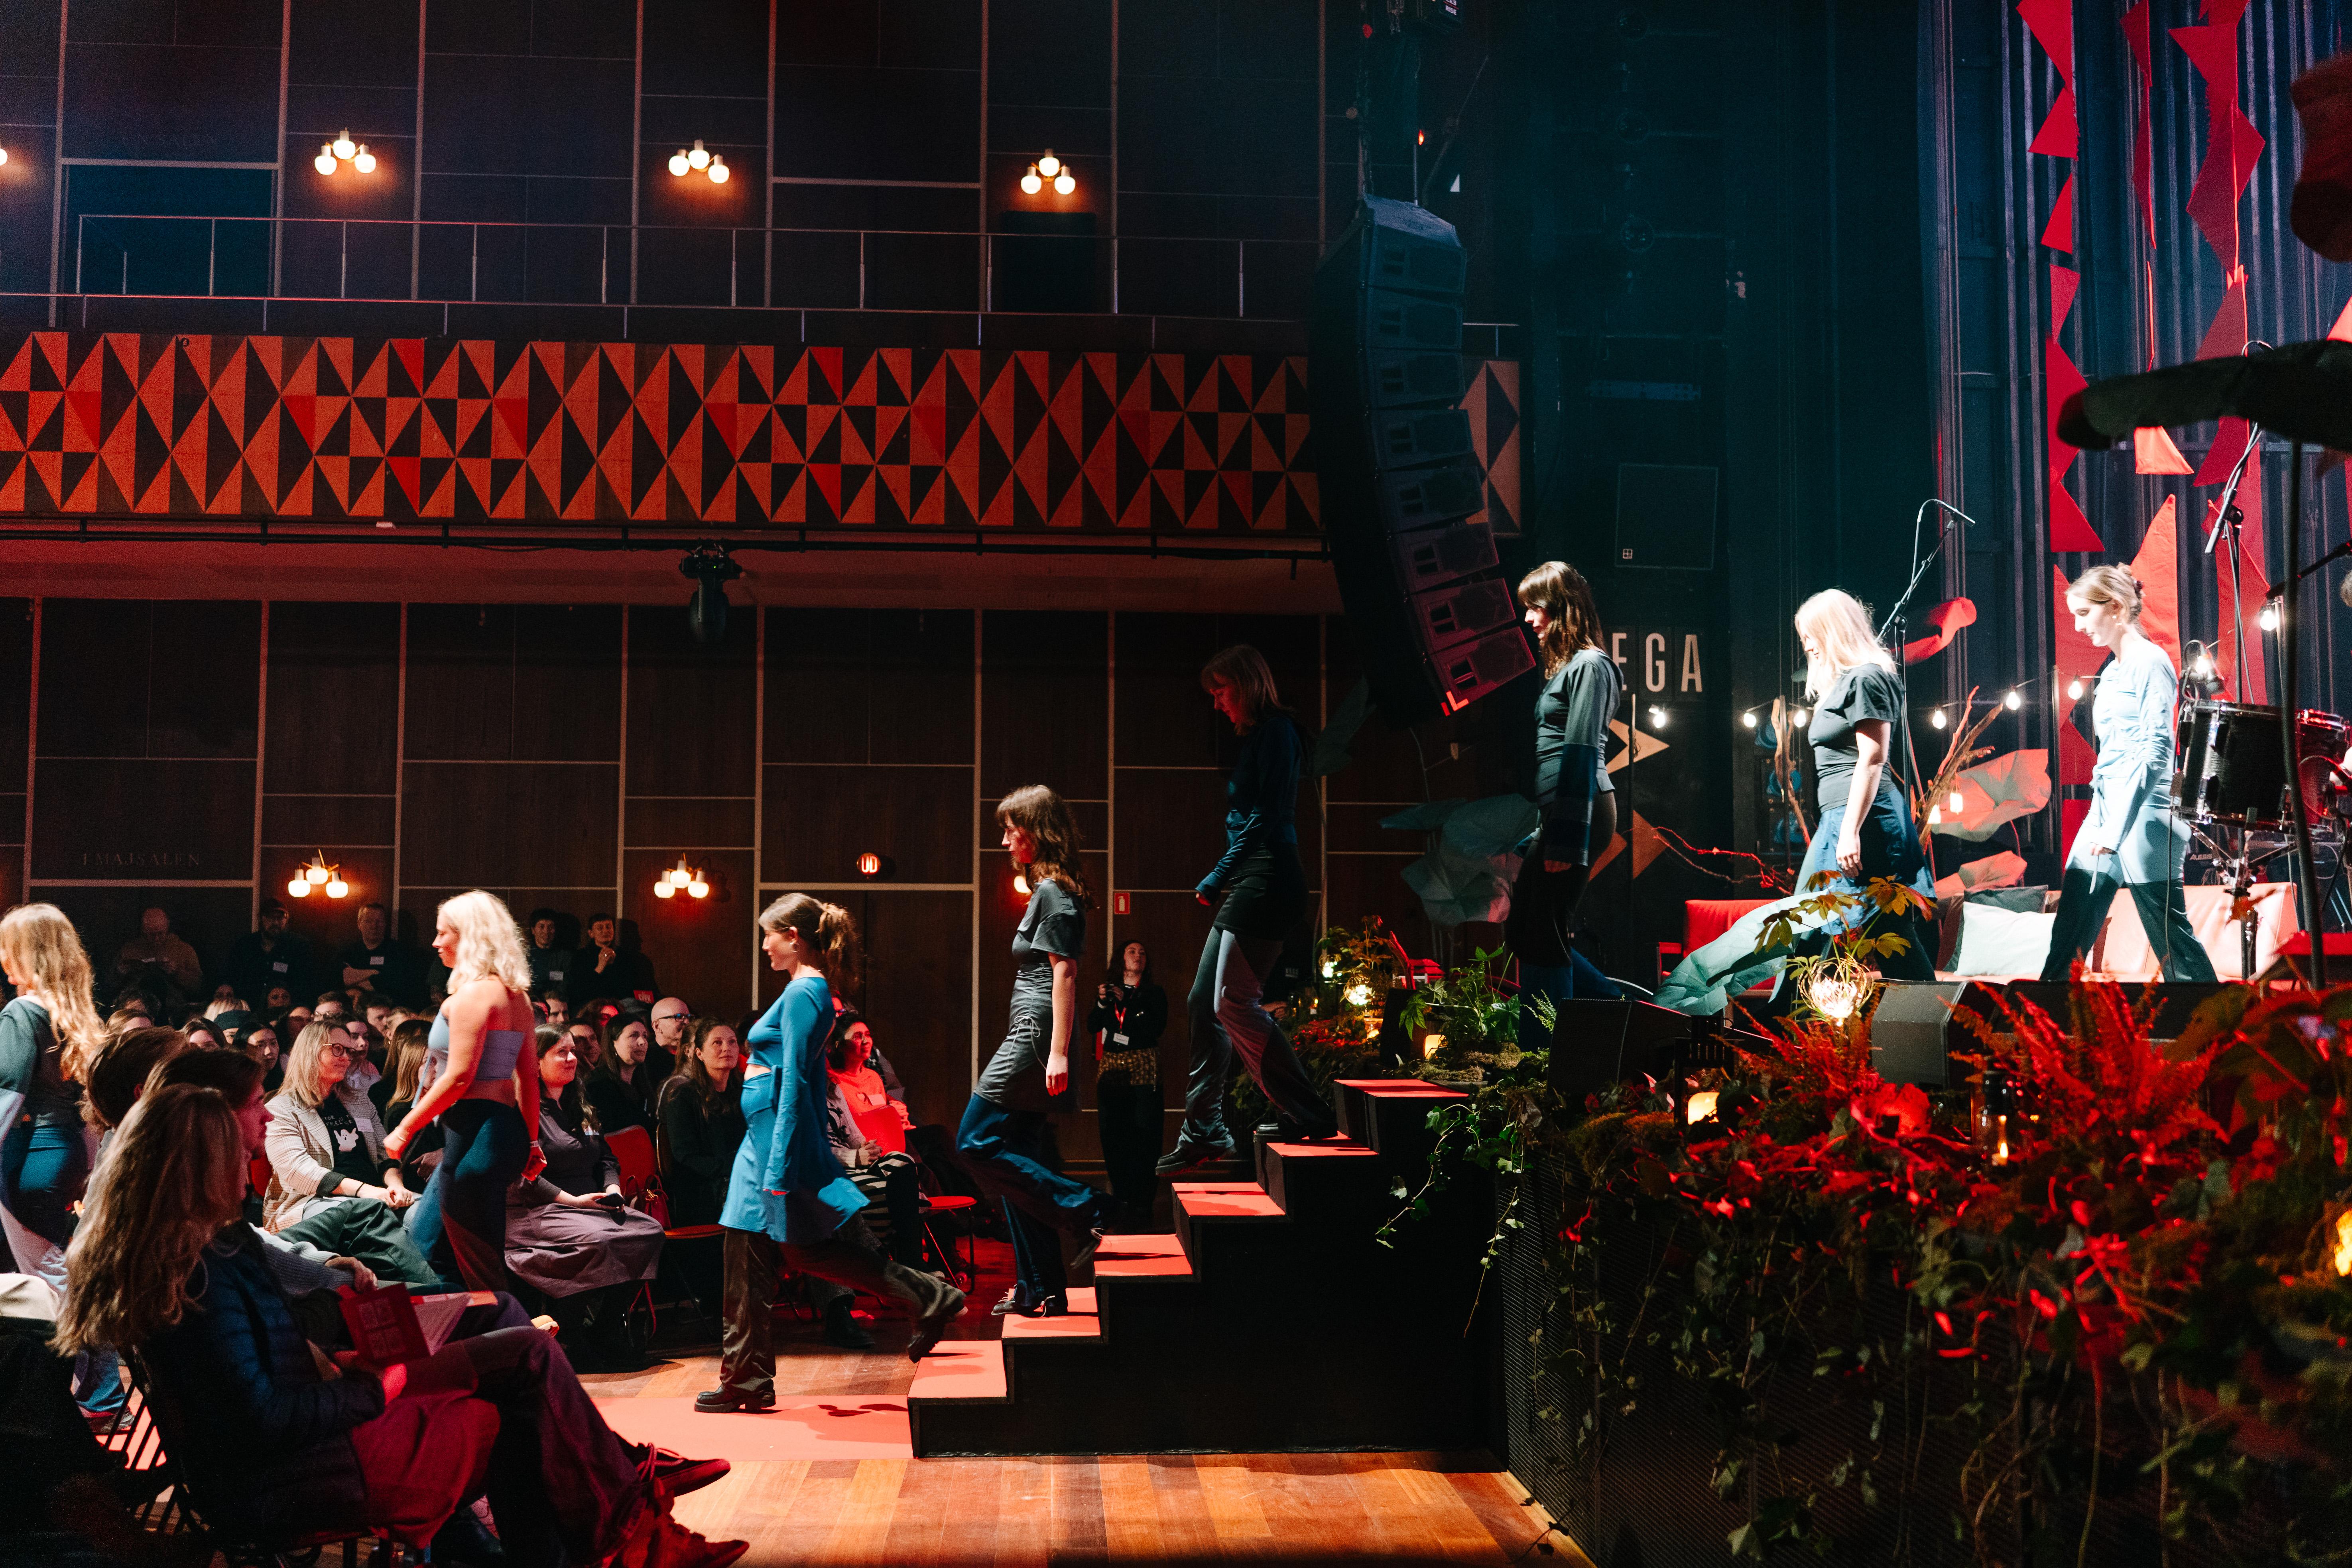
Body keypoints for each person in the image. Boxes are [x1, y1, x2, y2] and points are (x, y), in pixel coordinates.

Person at [53, 1081, 748, 1568]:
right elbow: (262, 1420)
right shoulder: (202, 1269)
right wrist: (374, 1385)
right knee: (518, 1389)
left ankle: (620, 1538)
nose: (251, 1163)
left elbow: (261, 1383)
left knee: (519, 1356)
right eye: (239, 1154)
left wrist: (341, 1357)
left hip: (295, 1450)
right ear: (200, 1166)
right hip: (298, 1474)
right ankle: (629, 1536)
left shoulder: (192, 1252)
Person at [699, 895, 964, 1413]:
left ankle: (747, 1379)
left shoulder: (806, 992)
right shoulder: (806, 990)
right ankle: (747, 1377)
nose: (764, 945)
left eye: (769, 934)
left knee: (769, 1254)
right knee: (790, 1253)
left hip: (773, 1146)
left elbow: (798, 1081)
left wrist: (779, 1164)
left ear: (794, 936)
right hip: (767, 1140)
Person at [1160, 646, 1341, 1176]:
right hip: (1253, 878)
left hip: (1269, 879)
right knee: (1204, 1002)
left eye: (1221, 692)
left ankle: (1307, 1111)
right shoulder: (1263, 736)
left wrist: (1217, 875)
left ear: (1247, 684)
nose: (1217, 704)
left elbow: (1267, 816)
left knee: (1231, 1002)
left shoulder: (1278, 732)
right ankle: (1204, 1130)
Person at [957, 788, 1122, 1318]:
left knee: (974, 1141)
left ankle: (1088, 1206)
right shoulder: (1050, 889)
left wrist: (1057, 1053)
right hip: (1031, 1029)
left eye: (1012, 830)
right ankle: (1040, 1287)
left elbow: (1065, 973)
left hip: (1034, 1035)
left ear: (1037, 831)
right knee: (1018, 1161)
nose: (1005, 840)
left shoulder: (1054, 892)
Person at [2040, 567, 2217, 983]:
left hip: (2145, 811)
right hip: (2106, 809)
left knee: (2170, 938)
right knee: (2070, 927)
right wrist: (2106, 819)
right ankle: (2042, 1015)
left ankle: (2218, 1019)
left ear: (2116, 608)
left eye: (2084, 613)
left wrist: (2116, 827)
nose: (2078, 626)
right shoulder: (2113, 669)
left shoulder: (2150, 662)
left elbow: (2156, 752)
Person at [385, 891, 544, 1292]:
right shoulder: (517, 997)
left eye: (443, 933)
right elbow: (528, 1076)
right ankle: (490, 1327)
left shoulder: (473, 995)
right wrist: (531, 1141)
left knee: (468, 1263)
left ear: (469, 935)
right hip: (501, 1131)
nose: (435, 942)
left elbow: (459, 1077)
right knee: (460, 1254)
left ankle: (505, 1329)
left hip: (475, 1132)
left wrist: (404, 1128)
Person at [1789, 589, 1939, 981]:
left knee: (1882, 929)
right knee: (1814, 926)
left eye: (1811, 634)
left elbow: (1873, 758)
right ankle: (1790, 1017)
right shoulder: (1844, 684)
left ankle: (1933, 1016)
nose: (1807, 645)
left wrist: (1850, 831)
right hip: (1841, 818)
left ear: (1833, 631)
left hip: (1865, 820)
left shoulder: (1867, 678)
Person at [1509, 561, 1627, 1045]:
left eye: (1535, 608)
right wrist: (1544, 832)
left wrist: (1564, 840)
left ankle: (1545, 1054)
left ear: (1563, 609)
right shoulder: (1569, 668)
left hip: (1581, 813)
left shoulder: (1592, 666)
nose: (1528, 619)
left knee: (1544, 932)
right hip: (1561, 814)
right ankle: (1616, 1014)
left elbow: (1579, 752)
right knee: (1525, 930)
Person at [505, 1029, 666, 1373]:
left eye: (573, 1051)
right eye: (561, 1052)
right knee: (598, 1241)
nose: (572, 1058)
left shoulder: (581, 1103)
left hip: (590, 1204)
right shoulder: (523, 1109)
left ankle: (606, 1326)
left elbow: (606, 1158)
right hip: (539, 1207)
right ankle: (571, 1335)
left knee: (648, 1231)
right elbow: (522, 1175)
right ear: (535, 1062)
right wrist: (575, 1201)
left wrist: (613, 1189)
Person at [261, 1019, 441, 1288]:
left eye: (349, 1051)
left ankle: (443, 1291)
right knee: (370, 1211)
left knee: (429, 1211)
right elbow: (300, 1172)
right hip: (310, 1201)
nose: (347, 1057)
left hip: (374, 1193)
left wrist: (396, 1185)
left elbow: (384, 1153)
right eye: (337, 1049)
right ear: (311, 1051)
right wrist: (368, 1191)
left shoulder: (358, 1099)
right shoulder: (282, 1107)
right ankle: (432, 1291)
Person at [826, 1011, 923, 1268]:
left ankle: (913, 1261)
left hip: (871, 1147)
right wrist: (855, 1154)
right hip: (836, 1165)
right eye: (857, 1036)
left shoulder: (854, 1081)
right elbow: (816, 1143)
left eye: (867, 1034)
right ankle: (909, 1263)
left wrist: (865, 1145)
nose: (866, 1040)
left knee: (906, 1158)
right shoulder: (833, 1081)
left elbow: (852, 1131)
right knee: (918, 1163)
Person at [1088, 940, 1167, 1227]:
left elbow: (1154, 1028)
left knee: (1144, 1133)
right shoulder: (1110, 992)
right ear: (1121, 960)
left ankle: (1143, 1201)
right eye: (1132, 951)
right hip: (1112, 1066)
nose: (1138, 956)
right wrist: (1102, 1002)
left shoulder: (1154, 993)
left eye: (1143, 952)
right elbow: (1092, 1026)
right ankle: (1120, 1197)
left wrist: (1128, 1004)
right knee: (1113, 1132)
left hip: (1143, 1064)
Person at [656, 1017, 746, 1228]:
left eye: (732, 1042)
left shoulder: (743, 1093)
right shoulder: (683, 1096)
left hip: (740, 1179)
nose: (727, 1048)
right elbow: (686, 1157)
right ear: (699, 1054)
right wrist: (732, 1168)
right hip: (702, 1190)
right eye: (717, 1043)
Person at [224, 898, 312, 1011]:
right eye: (271, 918)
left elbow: (305, 984)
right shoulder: (244, 945)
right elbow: (232, 977)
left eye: (281, 918)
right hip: (249, 1009)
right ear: (261, 918)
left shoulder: (298, 946)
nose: (276, 923)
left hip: (285, 1011)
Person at [339, 901, 428, 1007]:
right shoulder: (348, 952)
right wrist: (373, 973)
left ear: (385, 924)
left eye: (379, 921)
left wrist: (356, 978)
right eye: (369, 921)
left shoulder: (398, 952)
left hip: (387, 1008)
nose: (374, 926)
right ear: (360, 924)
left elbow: (394, 984)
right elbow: (341, 978)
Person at [112, 906, 202, 1000]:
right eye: (151, 934)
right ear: (143, 931)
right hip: (135, 1002)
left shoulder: (184, 950)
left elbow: (198, 986)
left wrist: (177, 972)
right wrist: (120, 973)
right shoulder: (129, 949)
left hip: (171, 1004)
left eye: (160, 934)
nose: (156, 939)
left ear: (167, 929)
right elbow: (110, 984)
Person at [572, 912, 655, 1007]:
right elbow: (579, 989)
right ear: (591, 933)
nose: (605, 931)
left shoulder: (625, 955)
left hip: (622, 1004)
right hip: (593, 1004)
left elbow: (631, 985)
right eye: (600, 928)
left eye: (609, 927)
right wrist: (600, 968)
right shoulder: (581, 956)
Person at [526, 908, 572, 999]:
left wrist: (546, 975)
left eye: (551, 927)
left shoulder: (564, 955)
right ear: (533, 930)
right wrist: (552, 975)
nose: (546, 932)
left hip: (556, 1000)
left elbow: (566, 977)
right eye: (542, 927)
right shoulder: (525, 954)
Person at [650, 996, 692, 1079]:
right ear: (657, 1026)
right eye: (679, 1017)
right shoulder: (646, 1058)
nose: (687, 1022)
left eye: (688, 1017)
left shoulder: (696, 1053)